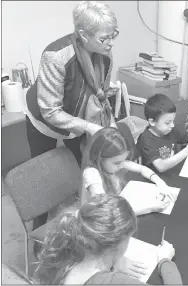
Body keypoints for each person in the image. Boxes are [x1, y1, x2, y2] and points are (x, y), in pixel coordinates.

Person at [26, 1, 120, 232]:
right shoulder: (56, 56)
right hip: (44, 121)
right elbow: (50, 110)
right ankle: (40, 229)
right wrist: (89, 126)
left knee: (83, 169)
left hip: (78, 117)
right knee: (45, 177)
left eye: (113, 35)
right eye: (104, 38)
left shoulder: (104, 53)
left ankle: (83, 221)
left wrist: (109, 113)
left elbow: (100, 93)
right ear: (82, 34)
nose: (111, 43)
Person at [34, 194, 183, 284]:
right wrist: (165, 260)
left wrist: (113, 263)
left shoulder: (67, 252)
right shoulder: (114, 281)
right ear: (118, 244)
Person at [81, 127, 175, 215]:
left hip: (115, 208)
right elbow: (106, 211)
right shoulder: (91, 174)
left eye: (124, 160)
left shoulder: (115, 163)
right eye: (117, 163)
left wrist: (160, 182)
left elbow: (142, 169)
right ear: (99, 158)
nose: (122, 165)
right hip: (98, 221)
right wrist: (149, 208)